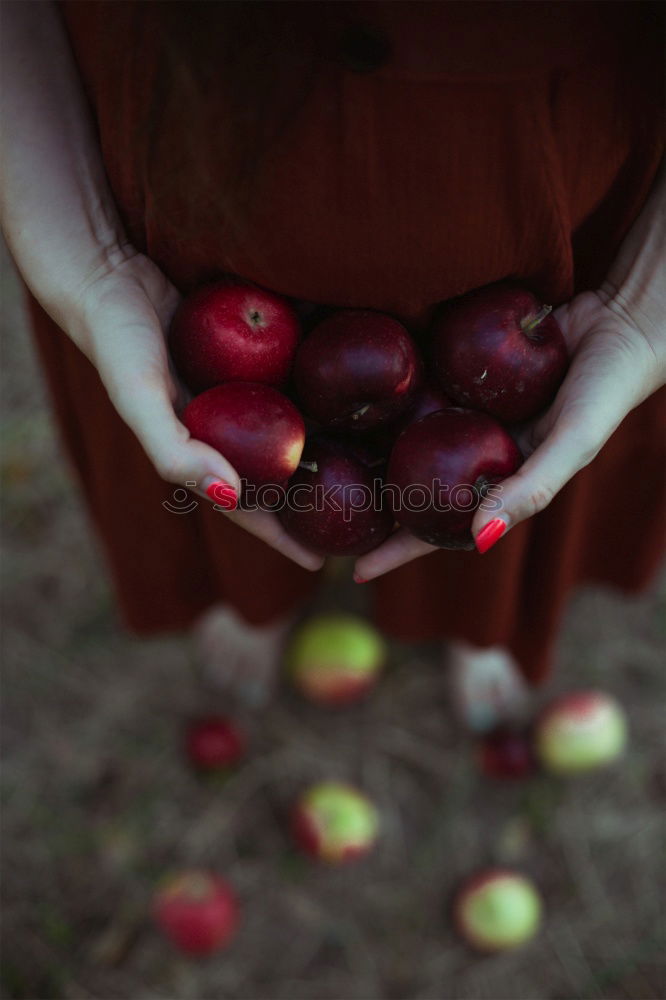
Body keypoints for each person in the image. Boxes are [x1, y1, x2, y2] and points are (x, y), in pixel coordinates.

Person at [2, 1, 664, 725]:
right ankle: (256, 598)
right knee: (219, 464)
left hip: (552, 233)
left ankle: (473, 617)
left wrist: (643, 307)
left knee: (511, 476)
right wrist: (91, 257)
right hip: (190, 210)